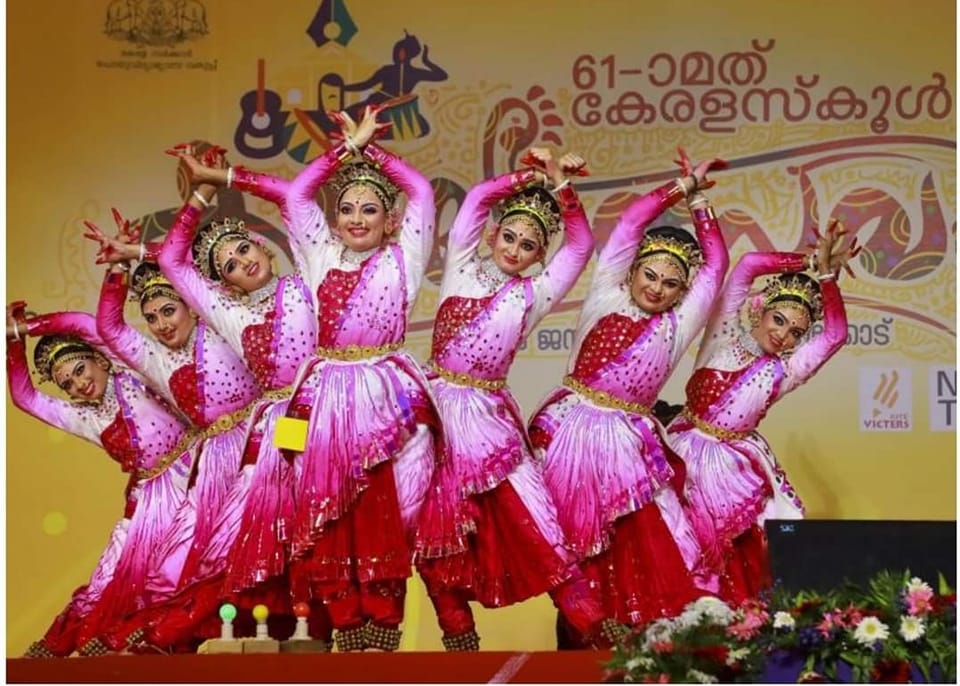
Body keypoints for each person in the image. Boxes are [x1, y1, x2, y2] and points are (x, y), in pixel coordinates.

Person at [412, 147, 626, 650]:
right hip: (436, 415)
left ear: (538, 257)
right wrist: (523, 178)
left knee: (538, 521)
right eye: (508, 236)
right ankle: (459, 638)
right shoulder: (461, 268)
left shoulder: (535, 292)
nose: (514, 249)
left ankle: (594, 629)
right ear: (491, 235)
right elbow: (476, 203)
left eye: (528, 245)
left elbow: (579, 246)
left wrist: (562, 190)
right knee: (437, 534)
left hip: (490, 421)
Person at [527, 150, 729, 640]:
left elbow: (717, 263)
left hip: (629, 443)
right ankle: (577, 640)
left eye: (671, 283)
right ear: (632, 270)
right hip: (571, 432)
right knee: (574, 548)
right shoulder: (606, 292)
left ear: (684, 293)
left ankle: (624, 639)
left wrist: (702, 207)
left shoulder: (679, 324)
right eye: (650, 275)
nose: (657, 288)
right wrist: (681, 188)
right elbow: (632, 222)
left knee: (636, 544)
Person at [273, 107, 440, 652]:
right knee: (320, 508)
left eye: (371, 209)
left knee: (384, 507)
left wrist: (374, 152)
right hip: (321, 398)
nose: (358, 218)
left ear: (390, 220)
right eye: (346, 209)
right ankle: (345, 623)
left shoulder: (404, 255)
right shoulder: (320, 254)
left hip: (387, 393)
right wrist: (345, 152)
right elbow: (299, 196)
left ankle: (383, 627)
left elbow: (418, 191)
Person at [79, 210, 266, 649]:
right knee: (188, 557)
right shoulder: (155, 361)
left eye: (169, 310)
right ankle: (161, 638)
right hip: (214, 460)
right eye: (153, 318)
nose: (163, 325)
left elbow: (188, 269)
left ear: (191, 305)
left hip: (260, 443)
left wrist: (200, 199)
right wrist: (117, 273)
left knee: (260, 550)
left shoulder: (220, 324)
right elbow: (106, 327)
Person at [664, 222, 857, 604]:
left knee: (735, 562)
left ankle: (730, 639)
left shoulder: (784, 370)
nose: (784, 335)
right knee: (674, 547)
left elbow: (834, 335)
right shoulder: (722, 337)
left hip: (732, 468)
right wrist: (806, 261)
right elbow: (749, 265)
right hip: (683, 449)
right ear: (760, 311)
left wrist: (827, 277)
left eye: (796, 333)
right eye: (779, 320)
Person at [6, 305, 195, 657]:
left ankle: (162, 642)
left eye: (80, 369)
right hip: (146, 500)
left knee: (172, 574)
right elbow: (25, 397)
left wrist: (28, 327)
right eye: (68, 384)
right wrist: (11, 347)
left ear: (100, 360)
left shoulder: (133, 372)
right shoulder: (85, 416)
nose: (79, 383)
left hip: (193, 481)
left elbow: (83, 324)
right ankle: (66, 646)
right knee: (110, 577)